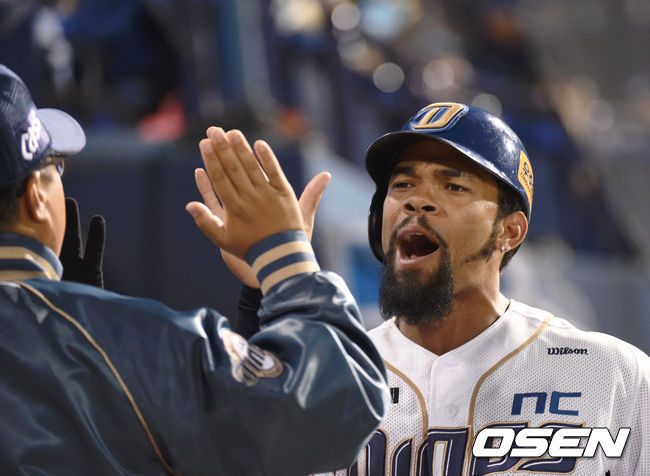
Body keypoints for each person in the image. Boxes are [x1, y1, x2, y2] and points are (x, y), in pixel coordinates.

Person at [0, 63, 390, 475]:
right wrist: (285, 258)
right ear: (36, 196)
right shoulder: (122, 344)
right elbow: (334, 406)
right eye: (56, 167)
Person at [231, 102, 649, 475]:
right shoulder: (333, 381)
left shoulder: (611, 375)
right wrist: (263, 287)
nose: (416, 201)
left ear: (509, 231)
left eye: (453, 186)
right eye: (402, 185)